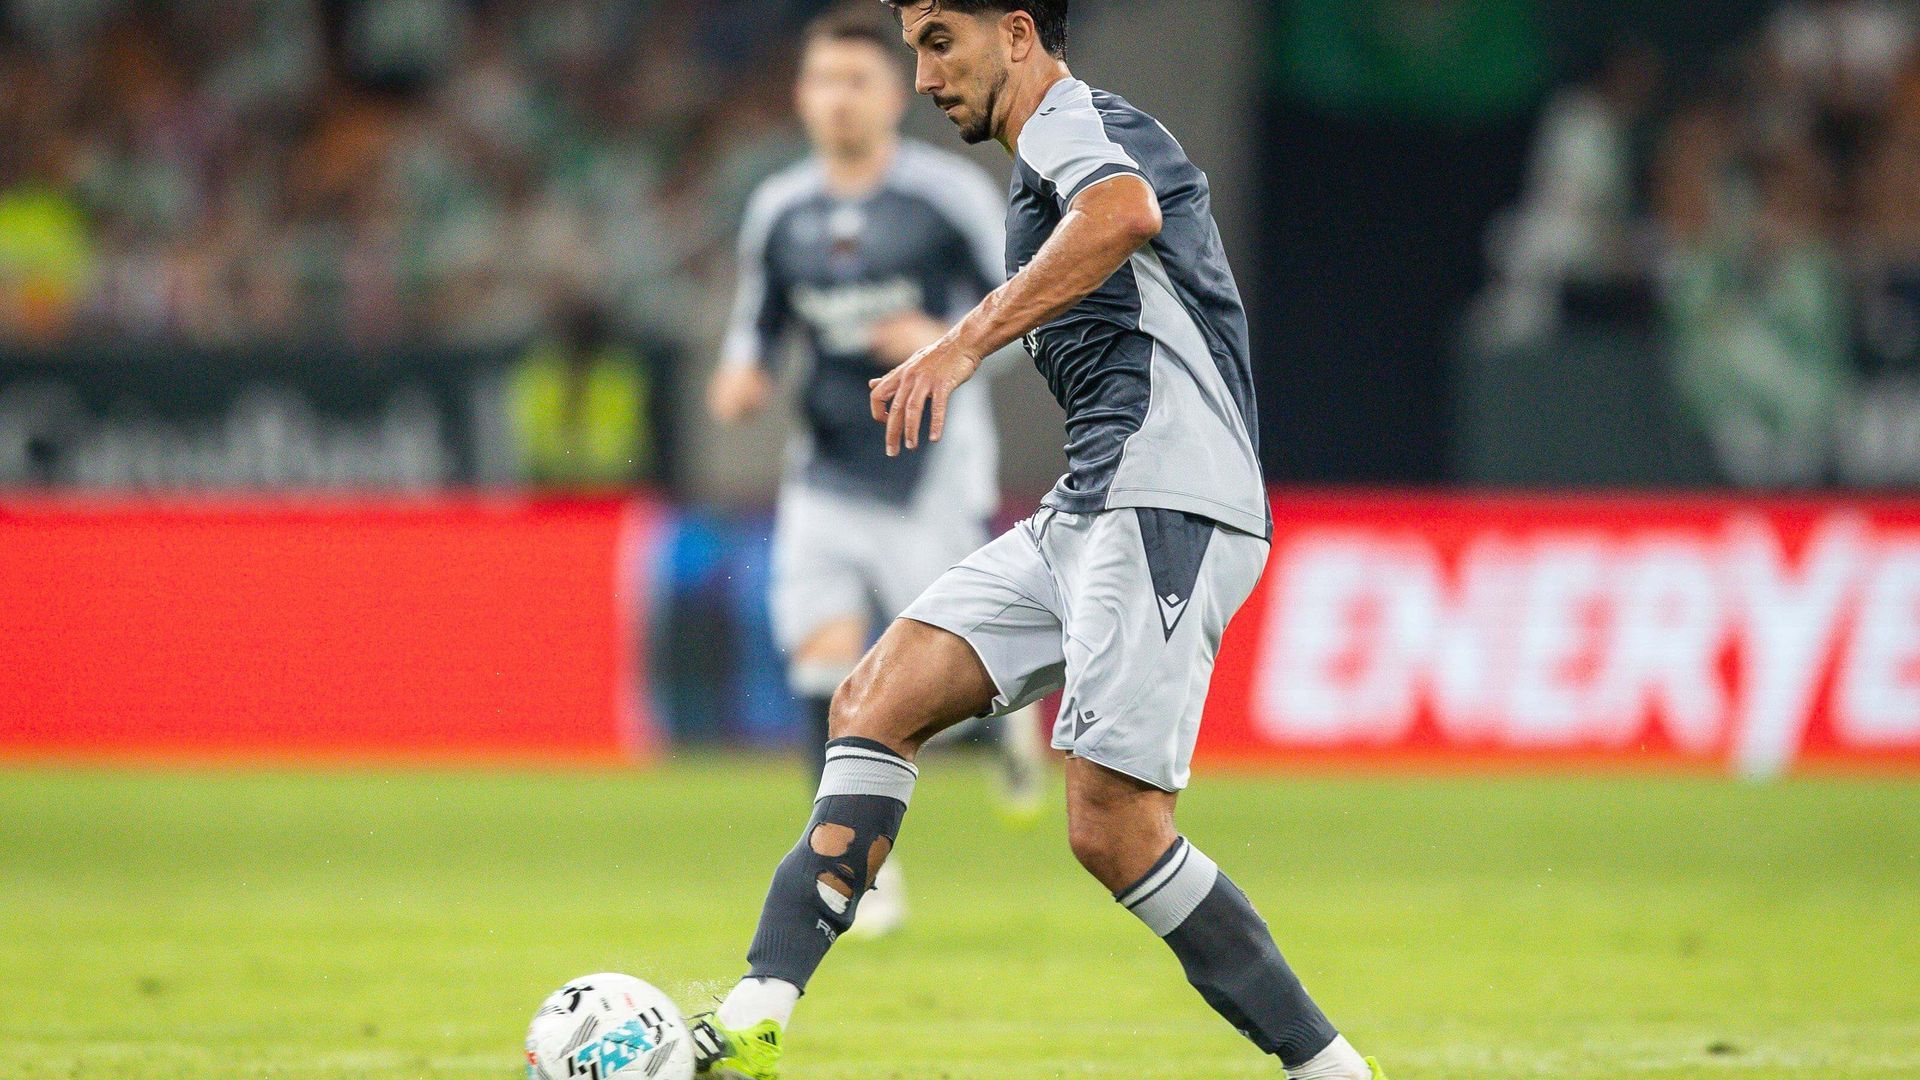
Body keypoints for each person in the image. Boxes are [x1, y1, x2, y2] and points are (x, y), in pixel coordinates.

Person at [691, 3, 1385, 1078]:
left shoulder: (1078, 122)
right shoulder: (1031, 170)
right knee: (872, 700)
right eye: (915, 48)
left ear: (1018, 32)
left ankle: (1333, 1070)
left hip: (1168, 493)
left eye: (939, 42)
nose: (924, 77)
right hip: (1092, 499)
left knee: (1115, 829)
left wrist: (957, 344)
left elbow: (1124, 211)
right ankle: (756, 1011)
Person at [707, 4, 1048, 936]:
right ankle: (856, 872)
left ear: (894, 94)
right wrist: (742, 373)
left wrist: (942, 339)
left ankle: (1004, 724)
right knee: (823, 661)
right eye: (823, 80)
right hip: (823, 468)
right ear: (801, 96)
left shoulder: (947, 197)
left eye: (857, 80)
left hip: (930, 467)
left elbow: (1025, 309)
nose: (839, 99)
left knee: (935, 678)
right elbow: (758, 321)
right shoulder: (780, 208)